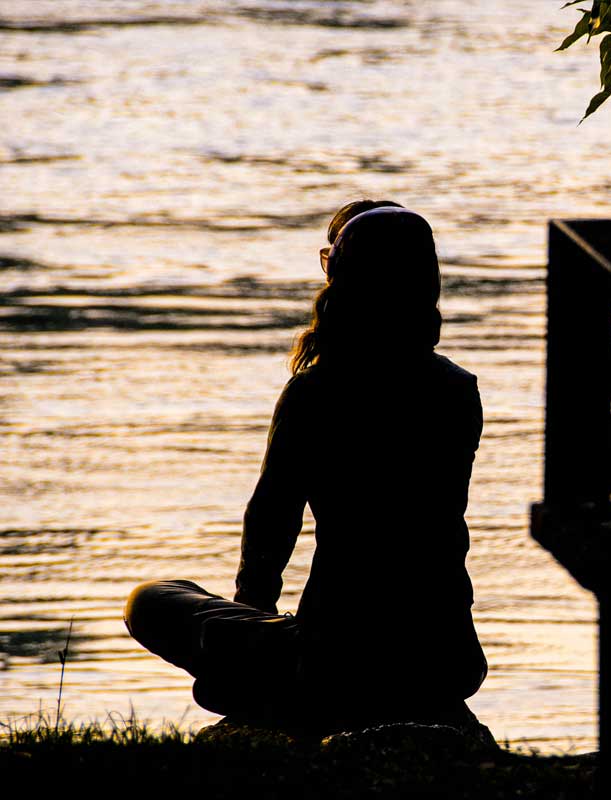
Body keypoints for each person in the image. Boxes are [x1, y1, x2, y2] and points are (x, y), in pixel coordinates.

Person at [124, 201, 487, 733]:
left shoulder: (316, 391)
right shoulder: (458, 390)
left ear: (343, 282)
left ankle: (268, 685)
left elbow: (273, 514)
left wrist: (253, 618)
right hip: (445, 661)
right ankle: (270, 677)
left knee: (152, 599)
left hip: (335, 661)